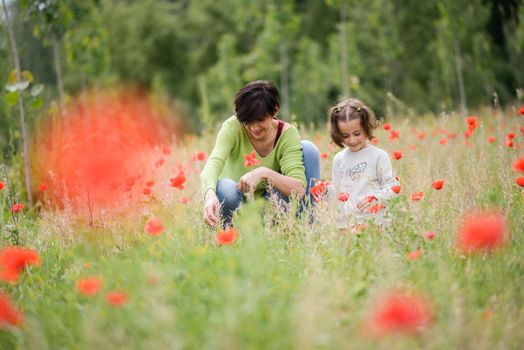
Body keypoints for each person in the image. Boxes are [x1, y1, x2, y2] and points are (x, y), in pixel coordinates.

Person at [201, 80, 320, 227]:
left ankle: (304, 226)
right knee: (225, 188)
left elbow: (299, 189)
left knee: (308, 149)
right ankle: (227, 231)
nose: (253, 127)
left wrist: (264, 172)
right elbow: (214, 162)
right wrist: (210, 195)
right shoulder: (232, 126)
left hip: (270, 204)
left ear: (275, 111)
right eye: (247, 121)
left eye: (260, 120)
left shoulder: (287, 134)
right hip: (235, 201)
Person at [329, 98, 399, 232]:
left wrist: (376, 198)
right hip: (350, 225)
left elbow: (392, 187)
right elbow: (338, 196)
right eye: (345, 135)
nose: (352, 140)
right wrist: (341, 226)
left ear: (366, 128)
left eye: (357, 134)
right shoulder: (339, 159)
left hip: (376, 223)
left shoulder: (378, 156)